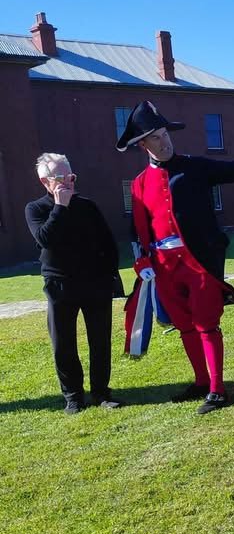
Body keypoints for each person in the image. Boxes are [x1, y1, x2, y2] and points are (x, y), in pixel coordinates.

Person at [117, 101, 234, 415]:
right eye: (156, 137)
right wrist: (141, 263)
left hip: (200, 261)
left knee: (206, 323)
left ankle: (217, 389)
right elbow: (136, 230)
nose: (164, 141)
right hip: (163, 267)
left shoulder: (195, 166)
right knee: (185, 325)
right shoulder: (140, 184)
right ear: (143, 145)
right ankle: (199, 381)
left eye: (165, 133)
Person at [25, 153, 123, 414]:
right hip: (60, 285)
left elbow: (107, 243)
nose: (68, 182)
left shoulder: (88, 206)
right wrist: (59, 207)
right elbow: (45, 239)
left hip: (95, 283)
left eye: (71, 176)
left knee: (99, 340)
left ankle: (101, 393)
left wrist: (111, 277)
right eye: (61, 178)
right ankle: (73, 397)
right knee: (63, 343)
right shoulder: (36, 209)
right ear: (45, 181)